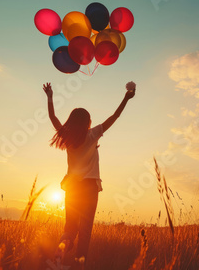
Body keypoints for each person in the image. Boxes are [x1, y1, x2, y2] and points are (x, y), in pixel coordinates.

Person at [42, 82, 135, 263]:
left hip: (72, 188)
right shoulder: (93, 135)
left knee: (70, 229)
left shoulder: (67, 137)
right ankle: (78, 266)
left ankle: (59, 256)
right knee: (85, 232)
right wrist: (127, 97)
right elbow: (115, 116)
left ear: (71, 121)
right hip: (89, 188)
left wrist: (50, 97)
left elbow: (52, 116)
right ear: (88, 122)